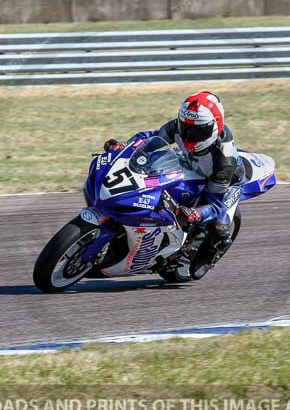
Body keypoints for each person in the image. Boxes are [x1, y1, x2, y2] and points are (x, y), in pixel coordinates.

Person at [103, 91, 243, 280]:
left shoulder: (224, 163)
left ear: (214, 128)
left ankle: (208, 256)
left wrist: (196, 214)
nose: (188, 136)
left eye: (197, 132)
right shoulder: (182, 127)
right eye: (185, 128)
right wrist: (126, 146)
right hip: (191, 164)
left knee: (218, 227)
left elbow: (216, 205)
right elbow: (151, 138)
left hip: (222, 183)